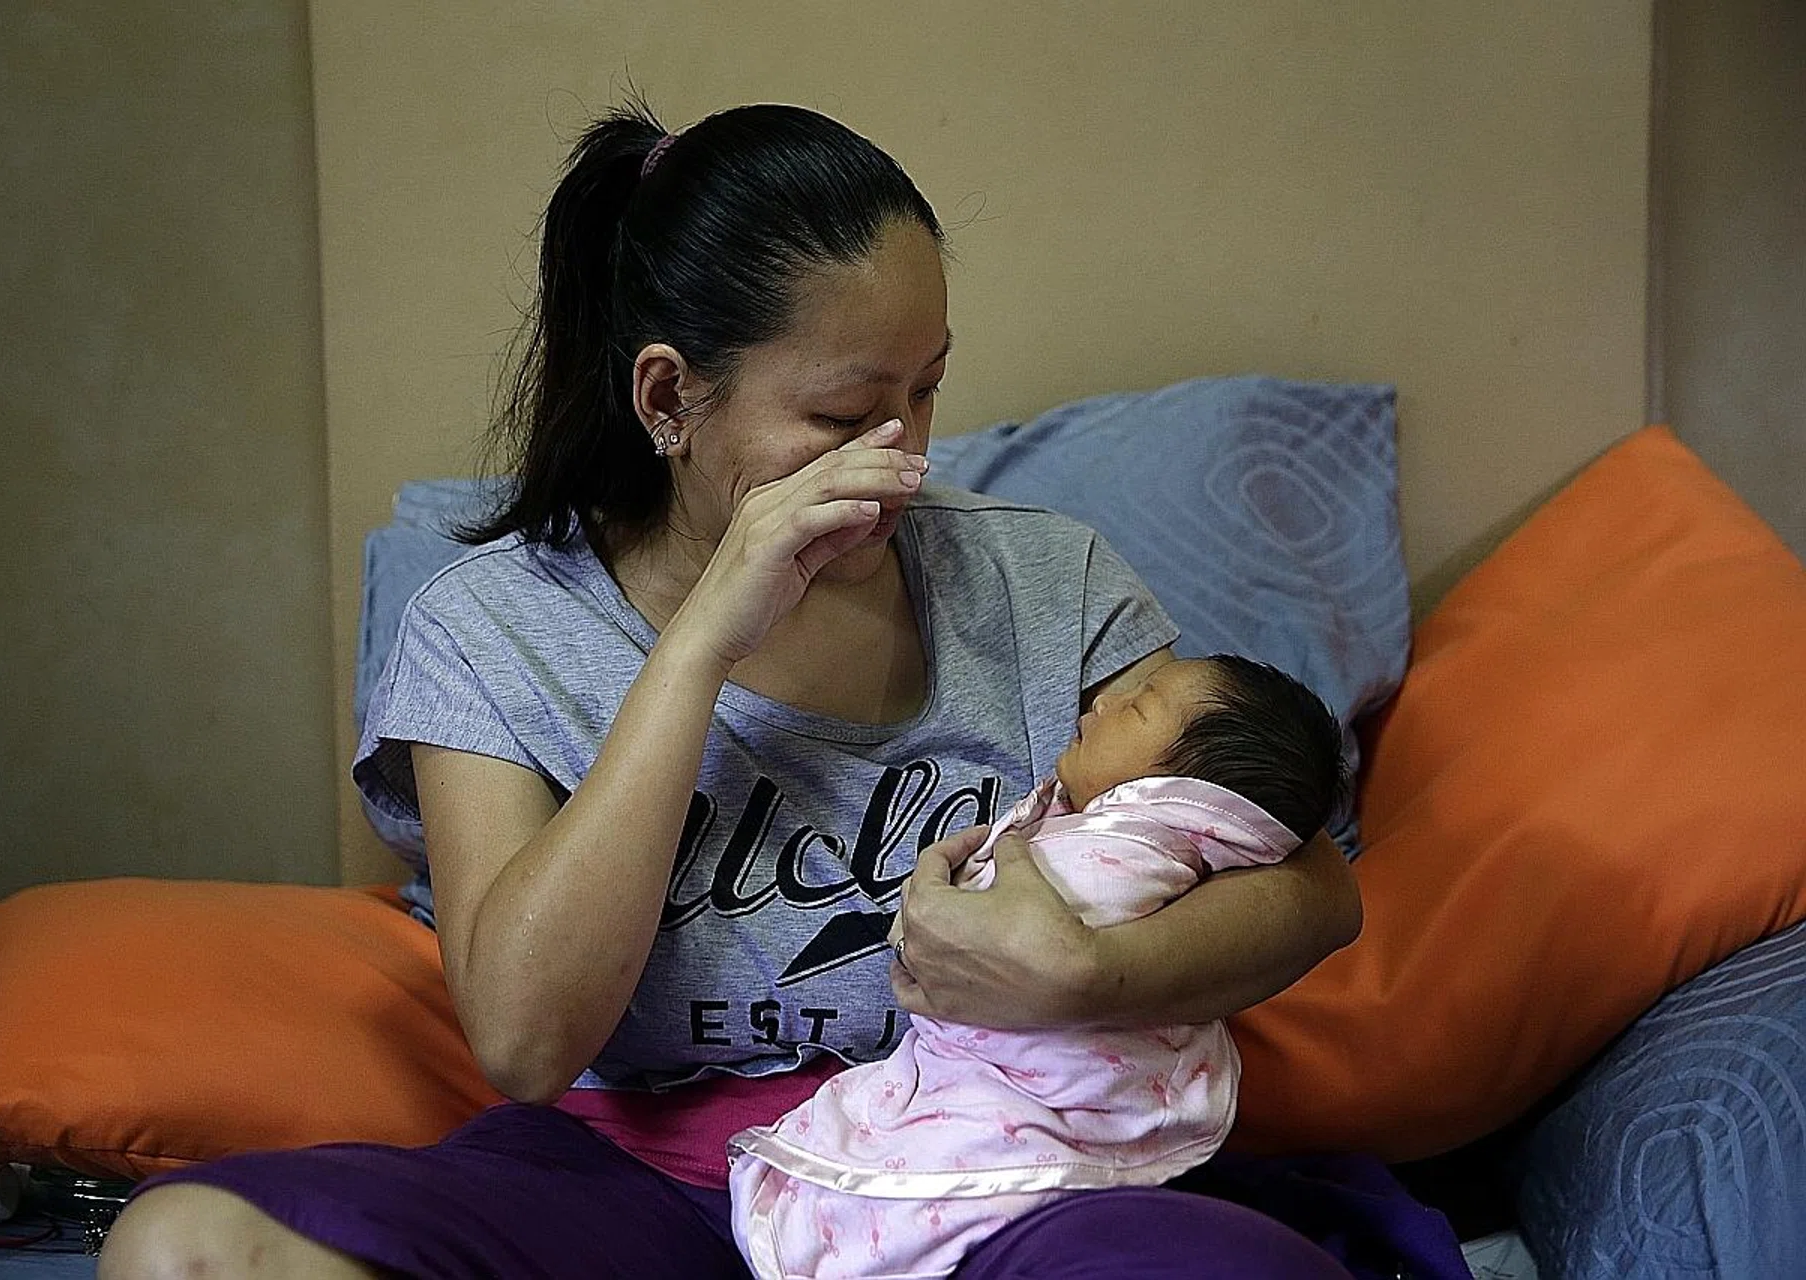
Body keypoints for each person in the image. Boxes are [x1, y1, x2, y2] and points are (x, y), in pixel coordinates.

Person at [99, 101, 1369, 1280]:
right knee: (186, 1245)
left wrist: (1082, 974)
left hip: (991, 1174)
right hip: (636, 1180)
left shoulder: (1042, 580)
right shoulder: (491, 630)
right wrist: (701, 640)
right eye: (845, 411)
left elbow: (1310, 886)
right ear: (669, 396)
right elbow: (527, 1043)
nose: (905, 453)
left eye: (925, 387)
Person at [728, 655, 1346, 1279]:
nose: (1100, 704)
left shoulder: (1132, 853)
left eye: (1136, 707)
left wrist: (1071, 963)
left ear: (1189, 796)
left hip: (1034, 1107)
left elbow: (1332, 898)